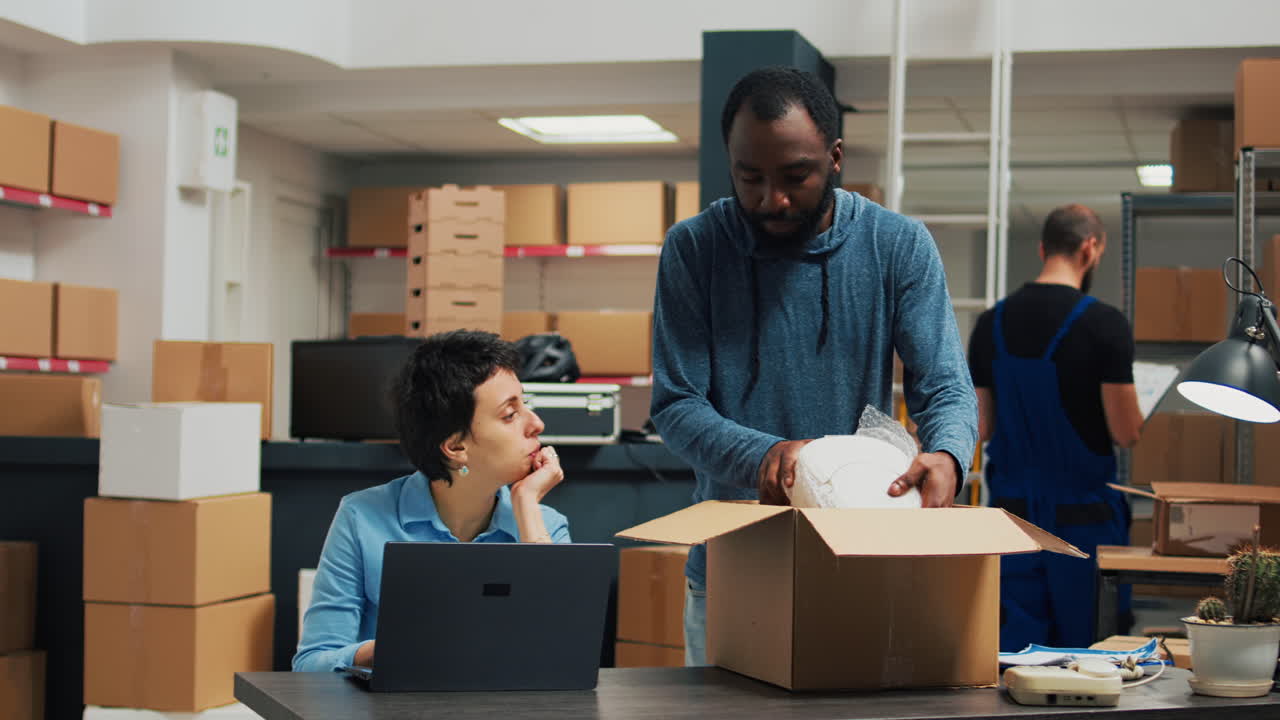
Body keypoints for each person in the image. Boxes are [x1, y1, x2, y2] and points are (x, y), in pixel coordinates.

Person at [650, 66, 978, 667]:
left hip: (862, 562)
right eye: (750, 177)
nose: (772, 199)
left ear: (835, 157)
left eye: (795, 176)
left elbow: (945, 387)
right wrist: (767, 456)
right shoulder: (695, 249)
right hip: (735, 568)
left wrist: (951, 454)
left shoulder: (896, 245)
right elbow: (676, 403)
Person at [293, 329, 570, 672]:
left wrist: (527, 504)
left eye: (525, 404)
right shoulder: (361, 518)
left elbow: (562, 654)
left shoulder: (544, 526)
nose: (537, 424)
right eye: (509, 414)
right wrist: (397, 646)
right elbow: (311, 666)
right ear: (456, 447)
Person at [967, 204, 1142, 651]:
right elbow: (1126, 432)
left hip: (1011, 524)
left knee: (1011, 660)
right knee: (1088, 662)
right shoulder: (1106, 325)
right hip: (1084, 529)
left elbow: (981, 426)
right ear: (1091, 248)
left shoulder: (991, 325)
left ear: (1043, 248)